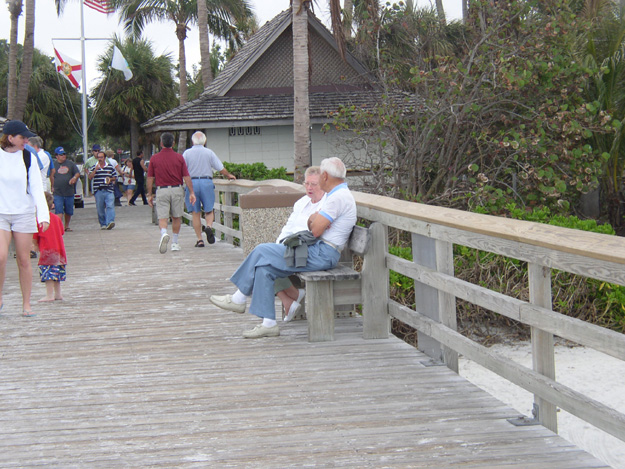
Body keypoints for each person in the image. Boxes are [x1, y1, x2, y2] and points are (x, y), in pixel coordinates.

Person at [209, 157, 356, 339]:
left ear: (325, 176)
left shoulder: (337, 198)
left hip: (323, 253)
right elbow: (317, 224)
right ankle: (269, 324)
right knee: (264, 267)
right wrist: (315, 218)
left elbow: (316, 229)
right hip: (319, 249)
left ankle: (239, 298)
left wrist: (314, 219)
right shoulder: (339, 195)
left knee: (262, 250)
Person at [0, 120, 50, 317]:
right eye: (22, 137)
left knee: (23, 259)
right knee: (1, 256)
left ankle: (26, 304)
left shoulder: (28, 157)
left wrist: (43, 215)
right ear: (10, 138)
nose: (26, 140)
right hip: (1, 213)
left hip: (23, 213)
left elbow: (38, 188)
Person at [275, 166, 326, 322]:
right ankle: (291, 297)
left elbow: (317, 233)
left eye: (314, 184)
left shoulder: (327, 204)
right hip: (290, 245)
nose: (309, 188)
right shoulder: (301, 203)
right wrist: (278, 243)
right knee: (265, 259)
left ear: (323, 184)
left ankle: (289, 300)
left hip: (308, 249)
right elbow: (288, 227)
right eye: (307, 183)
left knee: (264, 262)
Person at [182, 131, 236, 247]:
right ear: (204, 141)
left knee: (195, 213)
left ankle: (199, 240)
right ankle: (208, 227)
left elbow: (182, 169)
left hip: (192, 183)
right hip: (206, 181)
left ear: (192, 141)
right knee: (209, 209)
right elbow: (220, 167)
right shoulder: (209, 152)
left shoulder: (187, 153)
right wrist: (228, 175)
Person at [147, 132, 196, 253]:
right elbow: (186, 176)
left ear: (161, 143)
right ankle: (174, 242)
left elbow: (150, 178)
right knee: (176, 216)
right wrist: (191, 192)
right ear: (173, 143)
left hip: (162, 189)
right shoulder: (179, 157)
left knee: (162, 217)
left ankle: (164, 233)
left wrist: (149, 194)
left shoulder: (154, 158)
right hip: (176, 189)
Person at [33, 192, 66, 302]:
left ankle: (49, 295)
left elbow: (35, 236)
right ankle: (58, 294)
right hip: (60, 250)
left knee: (48, 274)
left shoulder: (39, 220)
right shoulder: (57, 218)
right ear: (52, 205)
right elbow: (61, 232)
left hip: (47, 251)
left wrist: (35, 245)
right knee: (57, 272)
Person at [50, 146, 80, 232]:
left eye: (64, 154)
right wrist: (51, 186)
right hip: (57, 191)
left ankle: (66, 226)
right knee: (59, 209)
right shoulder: (53, 165)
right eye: (61, 154)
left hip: (69, 191)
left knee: (68, 210)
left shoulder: (70, 164)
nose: (63, 156)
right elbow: (51, 176)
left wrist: (74, 178)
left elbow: (77, 173)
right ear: (57, 156)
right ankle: (59, 227)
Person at [88, 151, 117, 230]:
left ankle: (110, 221)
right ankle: (103, 223)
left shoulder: (110, 167)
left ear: (105, 158)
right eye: (98, 157)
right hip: (99, 190)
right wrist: (95, 170)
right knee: (100, 208)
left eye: (101, 157)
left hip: (109, 190)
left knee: (110, 205)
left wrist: (110, 179)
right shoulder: (94, 167)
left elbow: (115, 176)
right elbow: (90, 177)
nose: (100, 159)